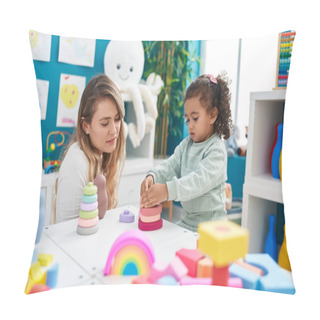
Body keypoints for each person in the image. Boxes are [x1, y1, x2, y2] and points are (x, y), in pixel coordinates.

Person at [140, 73, 232, 232]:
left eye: (195, 118)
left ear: (213, 115)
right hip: (187, 223)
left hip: (212, 229)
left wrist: (167, 190)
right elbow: (170, 165)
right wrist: (153, 175)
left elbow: (197, 181)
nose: (190, 125)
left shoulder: (216, 150)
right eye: (187, 119)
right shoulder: (187, 145)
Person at [55, 74, 126, 223]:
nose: (114, 130)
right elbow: (65, 231)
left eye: (117, 119)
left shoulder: (100, 156)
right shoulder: (77, 162)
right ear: (86, 126)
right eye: (105, 123)